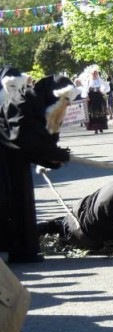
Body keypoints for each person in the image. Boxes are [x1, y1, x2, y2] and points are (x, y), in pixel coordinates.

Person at [0, 69, 76, 263]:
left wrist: (53, 158)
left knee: (20, 205)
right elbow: (25, 138)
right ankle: (18, 250)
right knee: (11, 204)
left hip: (15, 160)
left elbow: (43, 139)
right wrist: (54, 155)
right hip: (5, 161)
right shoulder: (22, 101)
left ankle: (22, 249)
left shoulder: (39, 104)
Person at [83, 69, 109, 134]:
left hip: (98, 96)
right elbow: (85, 89)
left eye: (96, 73)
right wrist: (87, 96)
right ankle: (95, 128)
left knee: (100, 111)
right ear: (91, 74)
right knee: (93, 112)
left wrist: (102, 91)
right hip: (91, 97)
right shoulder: (88, 81)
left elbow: (107, 86)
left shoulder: (99, 80)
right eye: (93, 73)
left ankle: (101, 127)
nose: (94, 74)